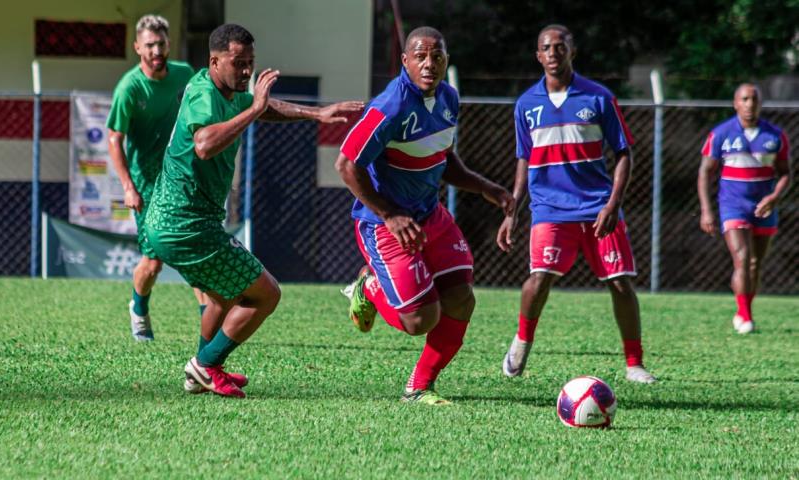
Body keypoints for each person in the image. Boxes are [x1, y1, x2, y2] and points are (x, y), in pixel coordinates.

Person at [143, 23, 363, 397]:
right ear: (214, 61)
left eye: (251, 63)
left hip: (185, 223)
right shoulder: (203, 91)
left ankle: (201, 372)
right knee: (267, 294)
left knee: (222, 296)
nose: (247, 71)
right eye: (238, 63)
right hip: (185, 225)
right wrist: (256, 107)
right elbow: (204, 144)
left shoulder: (231, 92)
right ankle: (205, 365)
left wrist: (317, 113)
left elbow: (265, 110)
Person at [336, 27, 514, 405]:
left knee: (462, 299)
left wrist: (487, 188)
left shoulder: (448, 98)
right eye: (420, 56)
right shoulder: (391, 105)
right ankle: (369, 288)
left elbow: (441, 158)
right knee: (420, 321)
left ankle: (419, 388)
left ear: (447, 60)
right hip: (383, 225)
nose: (429, 64)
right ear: (405, 61)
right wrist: (389, 215)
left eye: (436, 56)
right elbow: (346, 164)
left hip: (429, 216)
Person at [496, 25, 656, 384]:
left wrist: (613, 204)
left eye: (560, 46)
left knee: (620, 283)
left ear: (572, 51)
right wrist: (513, 210)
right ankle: (522, 341)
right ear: (538, 56)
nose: (553, 53)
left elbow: (624, 153)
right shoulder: (526, 104)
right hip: (550, 208)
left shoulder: (598, 98)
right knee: (540, 278)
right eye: (546, 48)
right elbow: (524, 159)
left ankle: (634, 364)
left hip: (597, 205)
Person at [107, 14, 205, 341]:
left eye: (161, 43)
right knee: (154, 262)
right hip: (147, 187)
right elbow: (113, 139)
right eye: (149, 45)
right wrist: (128, 188)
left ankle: (210, 323)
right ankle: (138, 308)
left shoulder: (184, 75)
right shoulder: (129, 88)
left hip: (181, 181)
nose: (156, 50)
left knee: (194, 248)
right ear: (138, 47)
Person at [698, 83, 792, 334]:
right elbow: (705, 172)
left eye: (754, 100)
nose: (750, 104)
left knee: (754, 264)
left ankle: (743, 309)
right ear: (735, 103)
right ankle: (746, 316)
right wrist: (707, 210)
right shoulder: (721, 133)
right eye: (745, 99)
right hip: (733, 206)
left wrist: (774, 197)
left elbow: (785, 173)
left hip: (763, 207)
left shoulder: (775, 135)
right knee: (741, 259)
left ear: (760, 103)